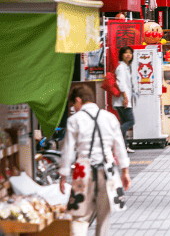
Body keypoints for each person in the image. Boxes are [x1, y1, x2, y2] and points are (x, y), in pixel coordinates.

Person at [59, 85, 131, 236]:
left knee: (79, 217)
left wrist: (63, 176)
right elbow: (119, 146)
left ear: (78, 100)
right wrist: (125, 171)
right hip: (108, 170)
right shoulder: (110, 117)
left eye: (74, 105)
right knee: (103, 217)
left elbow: (68, 151)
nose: (74, 109)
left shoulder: (74, 120)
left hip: (82, 171)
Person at [112, 46, 137, 153]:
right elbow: (120, 83)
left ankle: (123, 147)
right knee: (130, 121)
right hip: (122, 100)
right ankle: (115, 136)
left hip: (121, 100)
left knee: (124, 122)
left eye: (130, 53)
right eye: (126, 53)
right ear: (121, 54)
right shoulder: (121, 67)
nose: (128, 55)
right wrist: (126, 98)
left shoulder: (126, 67)